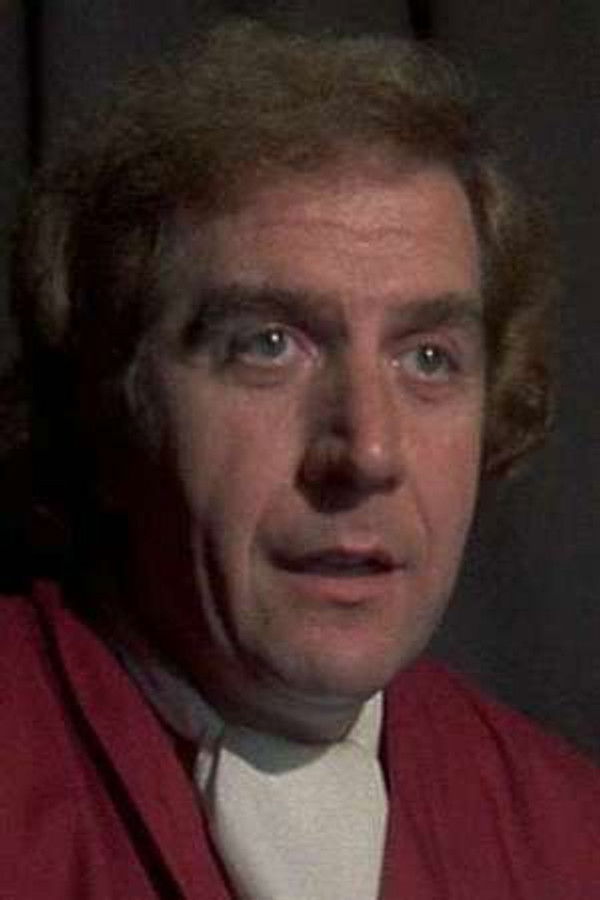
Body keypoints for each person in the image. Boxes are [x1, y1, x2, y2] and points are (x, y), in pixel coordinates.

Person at [3, 18, 599, 900]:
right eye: (269, 345)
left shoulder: (570, 835)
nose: (367, 451)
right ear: (113, 398)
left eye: (428, 358)